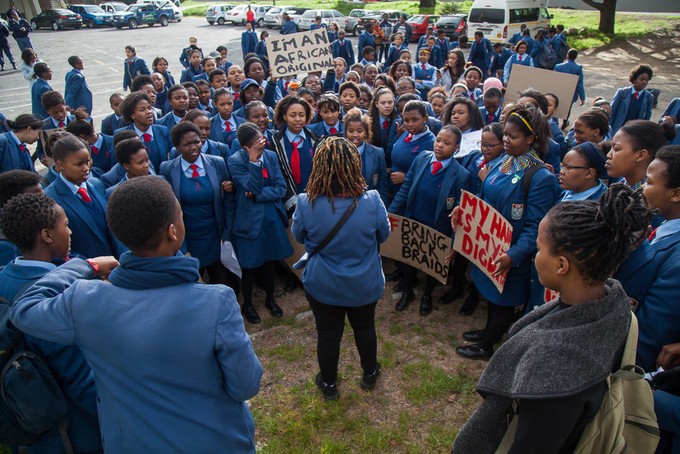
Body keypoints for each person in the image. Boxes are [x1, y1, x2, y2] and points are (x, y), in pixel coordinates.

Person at [11, 176, 262, 453]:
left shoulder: (85, 301)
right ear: (173, 231)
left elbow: (24, 309)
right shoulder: (215, 303)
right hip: (213, 441)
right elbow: (245, 385)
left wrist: (86, 266)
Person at [452, 184, 650, 453]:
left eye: (539, 249)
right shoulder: (615, 305)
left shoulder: (555, 365)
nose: (535, 257)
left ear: (561, 265)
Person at [454, 103, 560, 360]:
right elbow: (483, 195)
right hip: (489, 246)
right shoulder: (502, 161)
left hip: (512, 254)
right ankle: (489, 330)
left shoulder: (539, 177)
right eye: (505, 136)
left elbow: (537, 227)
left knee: (504, 298)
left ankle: (487, 345)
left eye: (513, 137)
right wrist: (463, 210)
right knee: (490, 293)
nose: (506, 141)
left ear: (531, 139)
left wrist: (514, 255)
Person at [0, 192, 103, 454]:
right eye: (66, 225)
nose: (70, 232)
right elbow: (83, 382)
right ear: (47, 235)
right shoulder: (62, 296)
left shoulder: (4, 277)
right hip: (71, 431)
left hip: (25, 418)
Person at [292, 136, 390, 400]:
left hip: (324, 284)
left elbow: (299, 236)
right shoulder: (372, 200)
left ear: (319, 166)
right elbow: (384, 235)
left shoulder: (305, 202)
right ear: (354, 164)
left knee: (328, 334)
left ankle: (329, 384)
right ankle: (370, 374)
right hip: (364, 283)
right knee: (365, 327)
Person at [389, 125, 471, 314]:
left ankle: (427, 295)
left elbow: (458, 212)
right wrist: (390, 215)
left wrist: (452, 241)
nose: (440, 145)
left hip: (438, 228)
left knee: (432, 266)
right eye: (438, 140)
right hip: (414, 221)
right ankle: (407, 291)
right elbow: (405, 188)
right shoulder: (421, 158)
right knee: (410, 260)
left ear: (456, 148)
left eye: (447, 143)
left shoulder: (461, 175)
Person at [160, 122, 239, 291]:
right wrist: (181, 245)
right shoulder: (168, 169)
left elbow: (228, 201)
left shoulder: (217, 163)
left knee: (222, 282)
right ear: (177, 147)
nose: (194, 147)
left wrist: (227, 233)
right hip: (189, 237)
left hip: (216, 235)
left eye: (196, 142)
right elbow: (168, 210)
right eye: (187, 144)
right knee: (195, 285)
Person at [228, 122, 291, 323]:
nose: (262, 144)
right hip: (249, 221)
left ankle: (271, 300)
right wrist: (254, 161)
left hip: (270, 217)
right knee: (250, 266)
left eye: (262, 139)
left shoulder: (271, 156)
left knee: (270, 262)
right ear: (246, 146)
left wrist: (258, 196)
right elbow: (251, 186)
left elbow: (281, 188)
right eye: (256, 143)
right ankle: (248, 304)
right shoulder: (235, 161)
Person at [45, 133, 123, 258]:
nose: (86, 168)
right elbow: (57, 247)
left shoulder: (96, 184)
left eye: (88, 161)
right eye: (78, 164)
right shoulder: (50, 198)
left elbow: (113, 226)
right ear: (60, 165)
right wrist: (92, 266)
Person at [271, 94, 321, 212]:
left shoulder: (316, 140)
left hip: (315, 201)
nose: (298, 119)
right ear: (284, 116)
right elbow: (279, 175)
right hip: (289, 205)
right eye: (293, 115)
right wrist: (292, 202)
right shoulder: (276, 142)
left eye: (301, 115)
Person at [605, 119, 676, 191]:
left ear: (641, 155)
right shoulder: (623, 186)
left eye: (616, 149)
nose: (608, 155)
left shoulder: (646, 198)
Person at [117, 92, 172, 174]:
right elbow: (119, 167)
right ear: (132, 115)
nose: (148, 112)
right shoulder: (121, 136)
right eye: (142, 110)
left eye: (149, 108)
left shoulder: (163, 131)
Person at [343, 108, 388, 204]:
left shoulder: (378, 153)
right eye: (350, 131)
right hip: (343, 205)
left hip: (368, 204)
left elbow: (383, 185)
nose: (355, 135)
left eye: (359, 131)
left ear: (366, 132)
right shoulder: (338, 153)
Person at [610, 64, 655, 135]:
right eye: (641, 79)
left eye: (646, 80)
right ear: (634, 79)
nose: (644, 82)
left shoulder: (649, 97)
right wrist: (609, 128)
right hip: (618, 129)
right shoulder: (622, 93)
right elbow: (612, 111)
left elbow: (647, 116)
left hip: (634, 132)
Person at [554, 48, 586, 127]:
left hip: (559, 89)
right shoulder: (578, 68)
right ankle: (565, 122)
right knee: (568, 107)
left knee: (556, 105)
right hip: (571, 92)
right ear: (575, 57)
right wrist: (582, 97)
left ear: (567, 55)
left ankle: (555, 122)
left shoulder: (558, 66)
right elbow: (579, 83)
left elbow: (554, 79)